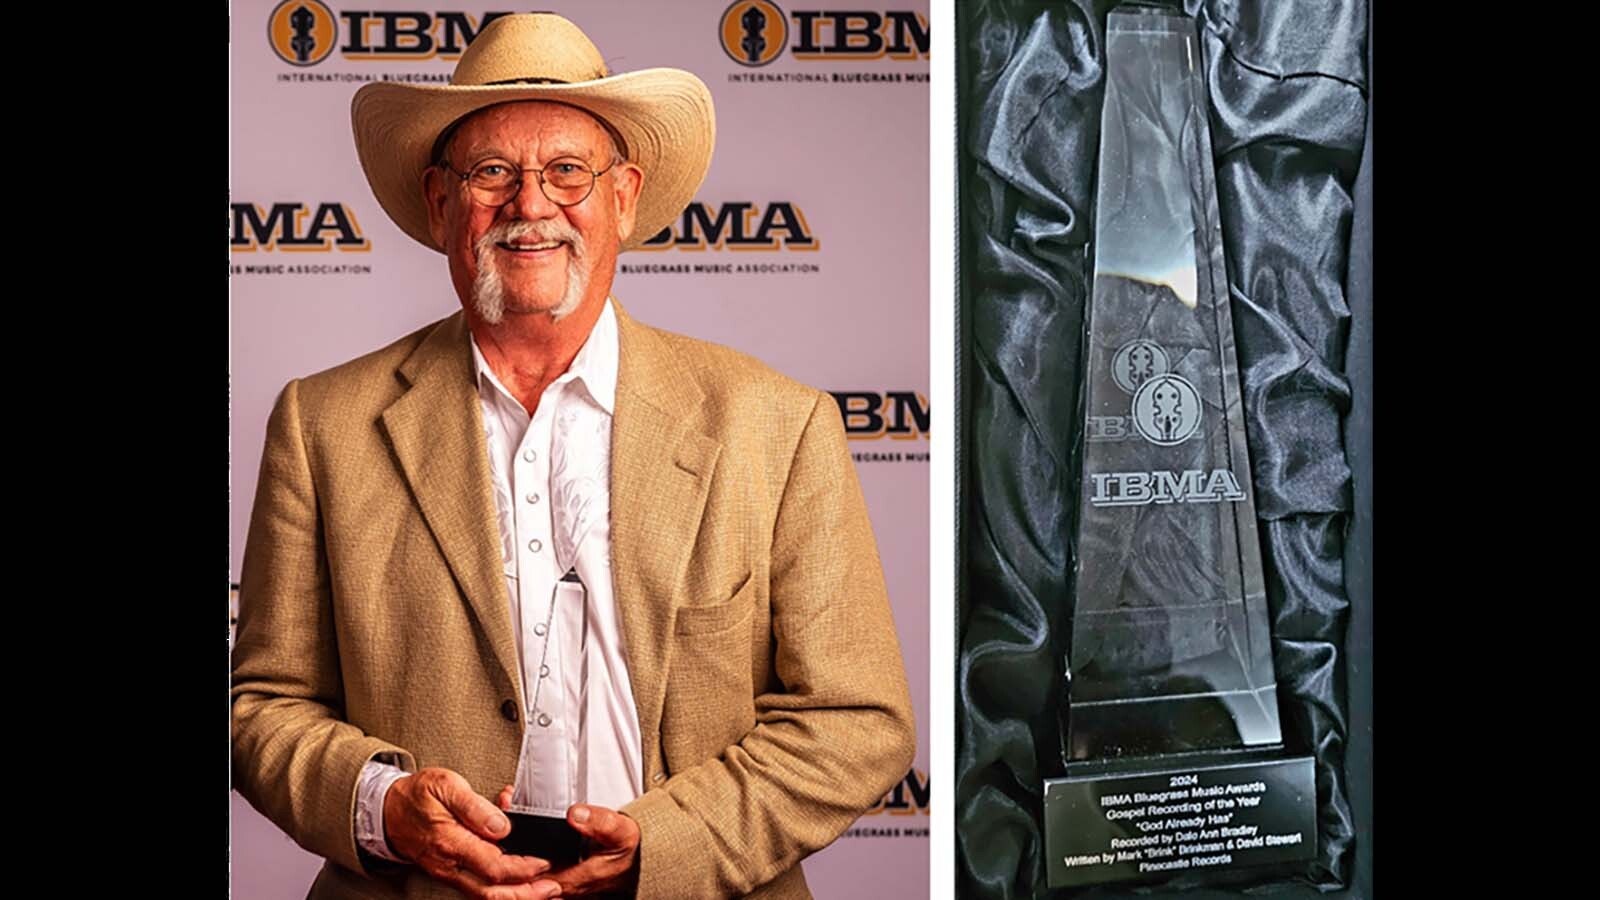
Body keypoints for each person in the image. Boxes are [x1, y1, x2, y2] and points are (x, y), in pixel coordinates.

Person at [230, 12, 916, 900]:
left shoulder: (776, 425)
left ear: (623, 198)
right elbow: (259, 711)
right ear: (442, 205)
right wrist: (382, 803)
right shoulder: (322, 423)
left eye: (567, 172)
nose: (530, 204)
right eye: (490, 173)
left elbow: (857, 720)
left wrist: (661, 846)